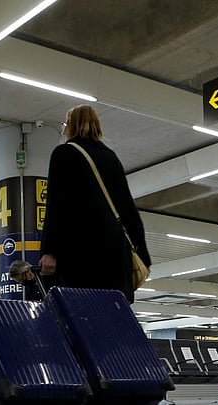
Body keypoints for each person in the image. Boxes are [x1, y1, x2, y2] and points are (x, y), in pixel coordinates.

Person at [39, 105, 150, 303]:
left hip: (80, 252)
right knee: (113, 315)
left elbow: (57, 206)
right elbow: (128, 209)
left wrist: (49, 251)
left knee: (82, 313)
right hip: (115, 253)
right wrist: (143, 254)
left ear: (71, 126)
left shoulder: (64, 153)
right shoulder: (111, 158)